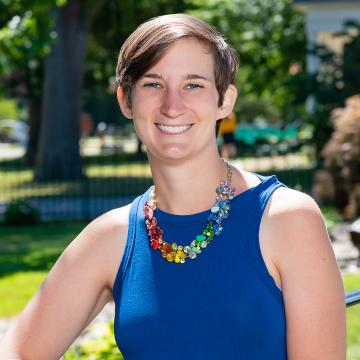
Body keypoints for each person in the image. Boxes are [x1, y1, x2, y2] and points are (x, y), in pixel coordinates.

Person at [0, 14, 346, 360]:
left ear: (224, 100)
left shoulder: (287, 219)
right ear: (126, 100)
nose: (172, 106)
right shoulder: (110, 238)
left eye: (193, 85)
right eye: (153, 84)